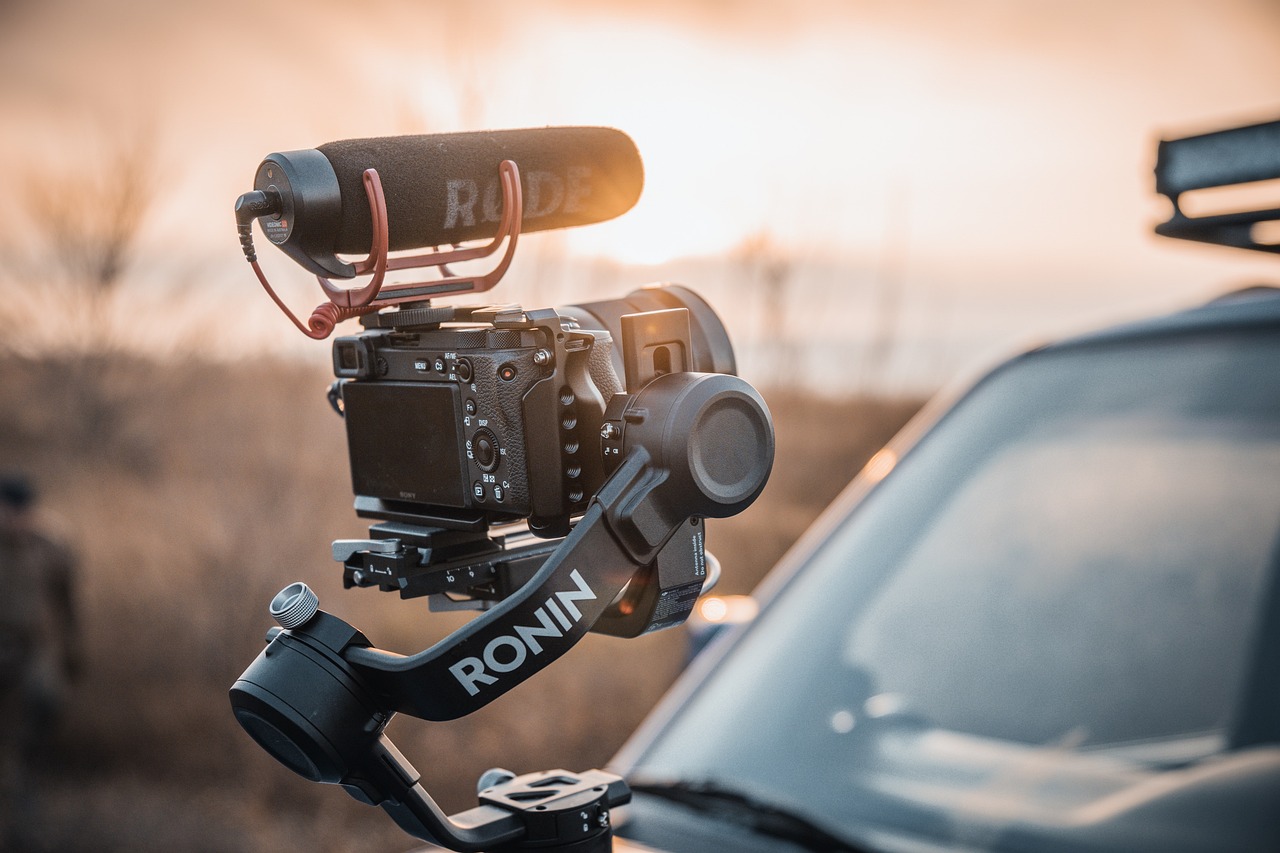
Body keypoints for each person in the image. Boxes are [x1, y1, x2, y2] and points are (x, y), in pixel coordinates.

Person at [0, 474, 80, 847]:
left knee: (44, 701)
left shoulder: (50, 546)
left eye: (22, 511)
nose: (16, 518)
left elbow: (68, 603)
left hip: (35, 646)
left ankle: (27, 773)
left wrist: (72, 650)